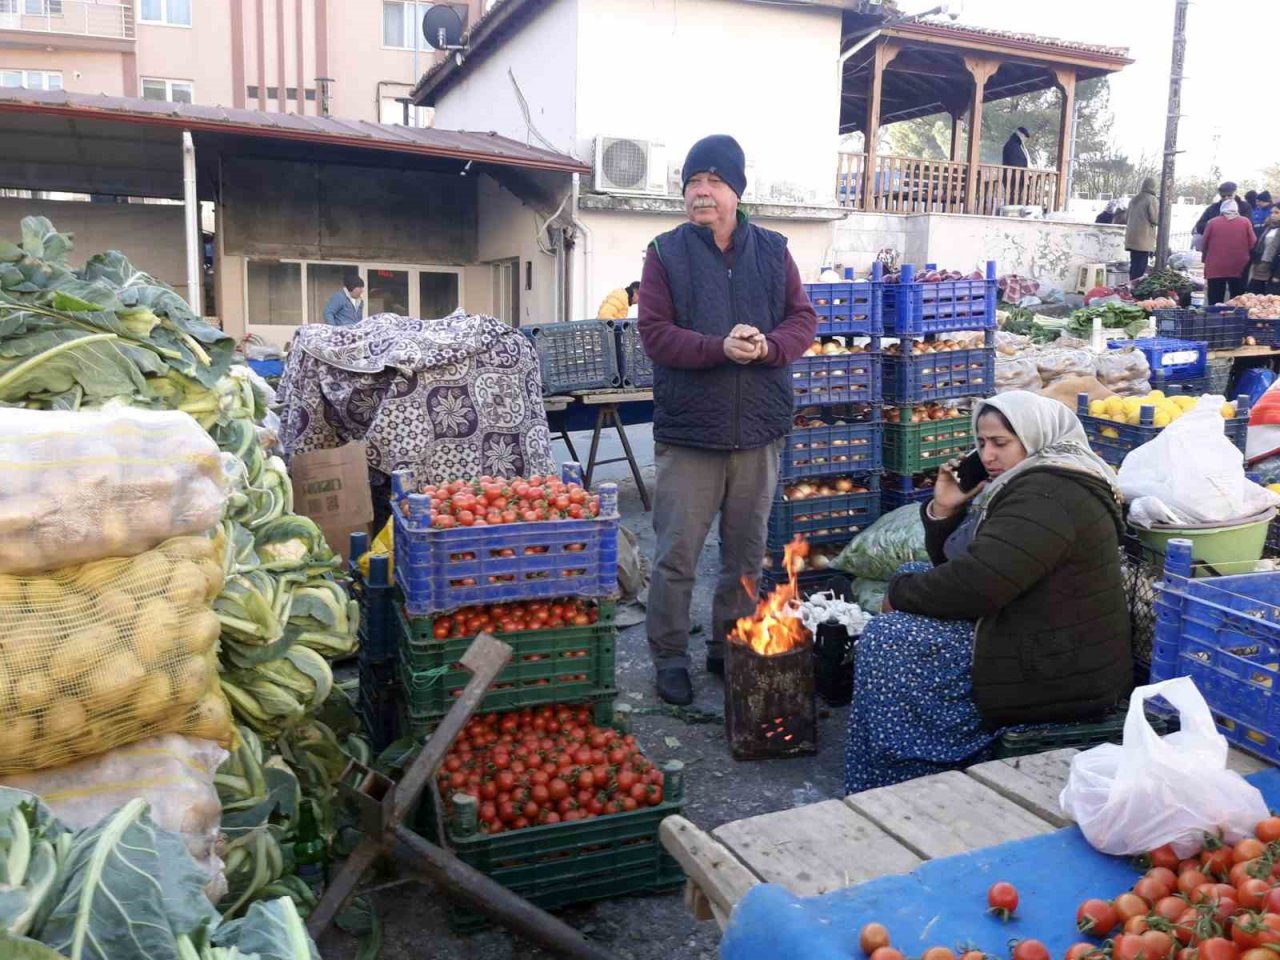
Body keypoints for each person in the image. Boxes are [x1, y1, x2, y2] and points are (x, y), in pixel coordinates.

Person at [844, 392, 1131, 793]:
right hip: (1035, 624)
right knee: (912, 574)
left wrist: (900, 594)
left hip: (1058, 664)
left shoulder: (1048, 494)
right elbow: (962, 564)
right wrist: (945, 509)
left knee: (889, 638)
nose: (988, 455)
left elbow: (978, 585)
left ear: (1035, 437)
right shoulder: (1032, 481)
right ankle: (900, 743)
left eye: (1001, 443)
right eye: (981, 443)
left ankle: (904, 774)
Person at [637, 134, 818, 706]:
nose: (702, 192)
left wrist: (767, 346)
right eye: (693, 182)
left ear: (737, 191)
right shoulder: (664, 253)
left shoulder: (773, 250)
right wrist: (719, 347)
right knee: (676, 556)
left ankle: (727, 644)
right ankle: (670, 656)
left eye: (714, 181)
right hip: (691, 432)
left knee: (744, 555)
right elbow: (655, 334)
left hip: (758, 430)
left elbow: (803, 319)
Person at [1202, 199, 1257, 304]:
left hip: (1216, 265)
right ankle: (1234, 312)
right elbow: (1253, 241)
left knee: (1215, 296)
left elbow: (1204, 243)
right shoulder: (1245, 222)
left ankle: (1215, 312)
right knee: (1237, 297)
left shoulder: (1212, 222)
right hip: (1239, 265)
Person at [1125, 177, 1159, 280]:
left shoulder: (1134, 199)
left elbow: (1126, 217)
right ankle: (1136, 287)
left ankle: (1131, 284)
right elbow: (1155, 219)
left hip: (1131, 238)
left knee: (1134, 266)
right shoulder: (1151, 199)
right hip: (1143, 239)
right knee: (1140, 267)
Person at [1249, 206, 1280, 293]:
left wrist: (1278, 274)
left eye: (1276, 213)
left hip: (1274, 268)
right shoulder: (1268, 227)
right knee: (1254, 293)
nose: (1272, 215)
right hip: (1261, 265)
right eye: (1271, 212)